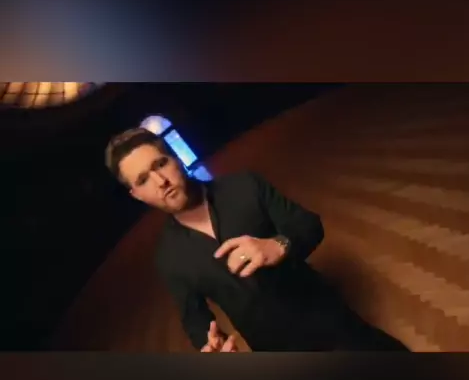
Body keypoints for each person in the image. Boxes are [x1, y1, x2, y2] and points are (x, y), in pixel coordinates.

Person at [105, 127, 409, 352]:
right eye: (143, 179)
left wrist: (279, 245)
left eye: (160, 164)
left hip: (330, 320)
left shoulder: (244, 186)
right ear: (137, 194)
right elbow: (194, 318)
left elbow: (308, 225)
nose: (161, 182)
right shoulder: (168, 258)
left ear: (175, 158)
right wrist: (210, 345)